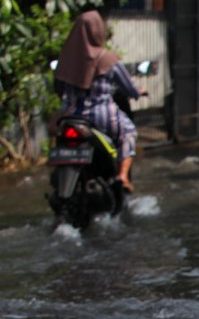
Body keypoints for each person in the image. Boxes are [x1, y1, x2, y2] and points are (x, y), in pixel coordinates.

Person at [54, 10, 142, 192]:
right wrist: (138, 92)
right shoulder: (107, 59)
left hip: (70, 116)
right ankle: (123, 176)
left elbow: (58, 88)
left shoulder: (65, 59)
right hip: (101, 117)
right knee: (129, 133)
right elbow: (129, 87)